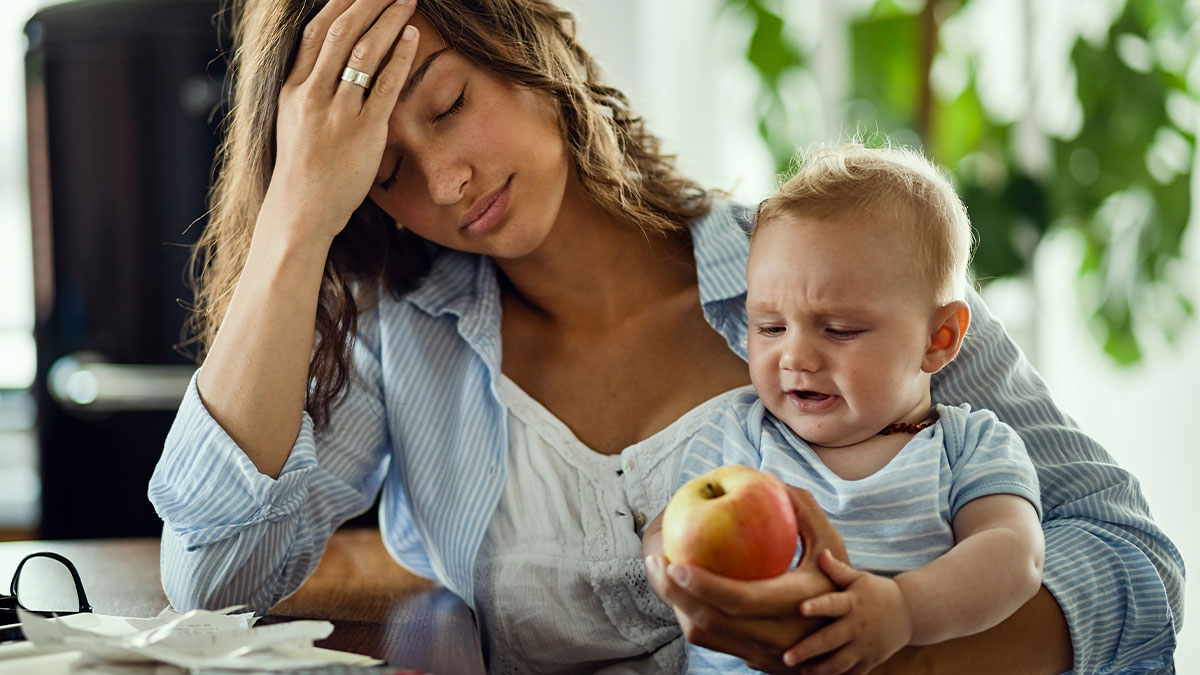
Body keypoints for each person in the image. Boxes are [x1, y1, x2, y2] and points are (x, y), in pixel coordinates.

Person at [146, 0, 1183, 672]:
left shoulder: (837, 287)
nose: (445, 183)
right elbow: (213, 575)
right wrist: (292, 220)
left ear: (532, 40)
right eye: (381, 173)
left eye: (450, 105)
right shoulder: (407, 342)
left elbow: (1135, 568)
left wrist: (876, 640)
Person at [645, 143, 1046, 674]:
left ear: (939, 338)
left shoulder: (970, 445)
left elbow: (1014, 554)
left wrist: (905, 610)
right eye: (769, 327)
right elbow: (667, 529)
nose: (795, 356)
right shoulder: (739, 434)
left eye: (839, 330)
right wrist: (674, 575)